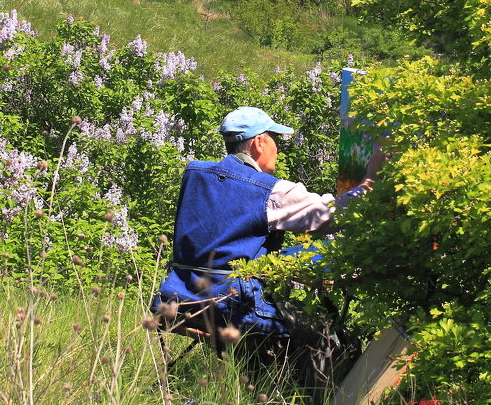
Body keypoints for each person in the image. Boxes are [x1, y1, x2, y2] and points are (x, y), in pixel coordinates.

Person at [152, 106, 374, 348]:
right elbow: (331, 215)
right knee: (323, 335)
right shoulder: (269, 190)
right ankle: (317, 384)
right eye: (275, 140)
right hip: (236, 305)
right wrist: (370, 181)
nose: (278, 149)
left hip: (181, 296)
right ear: (259, 143)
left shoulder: (195, 173)